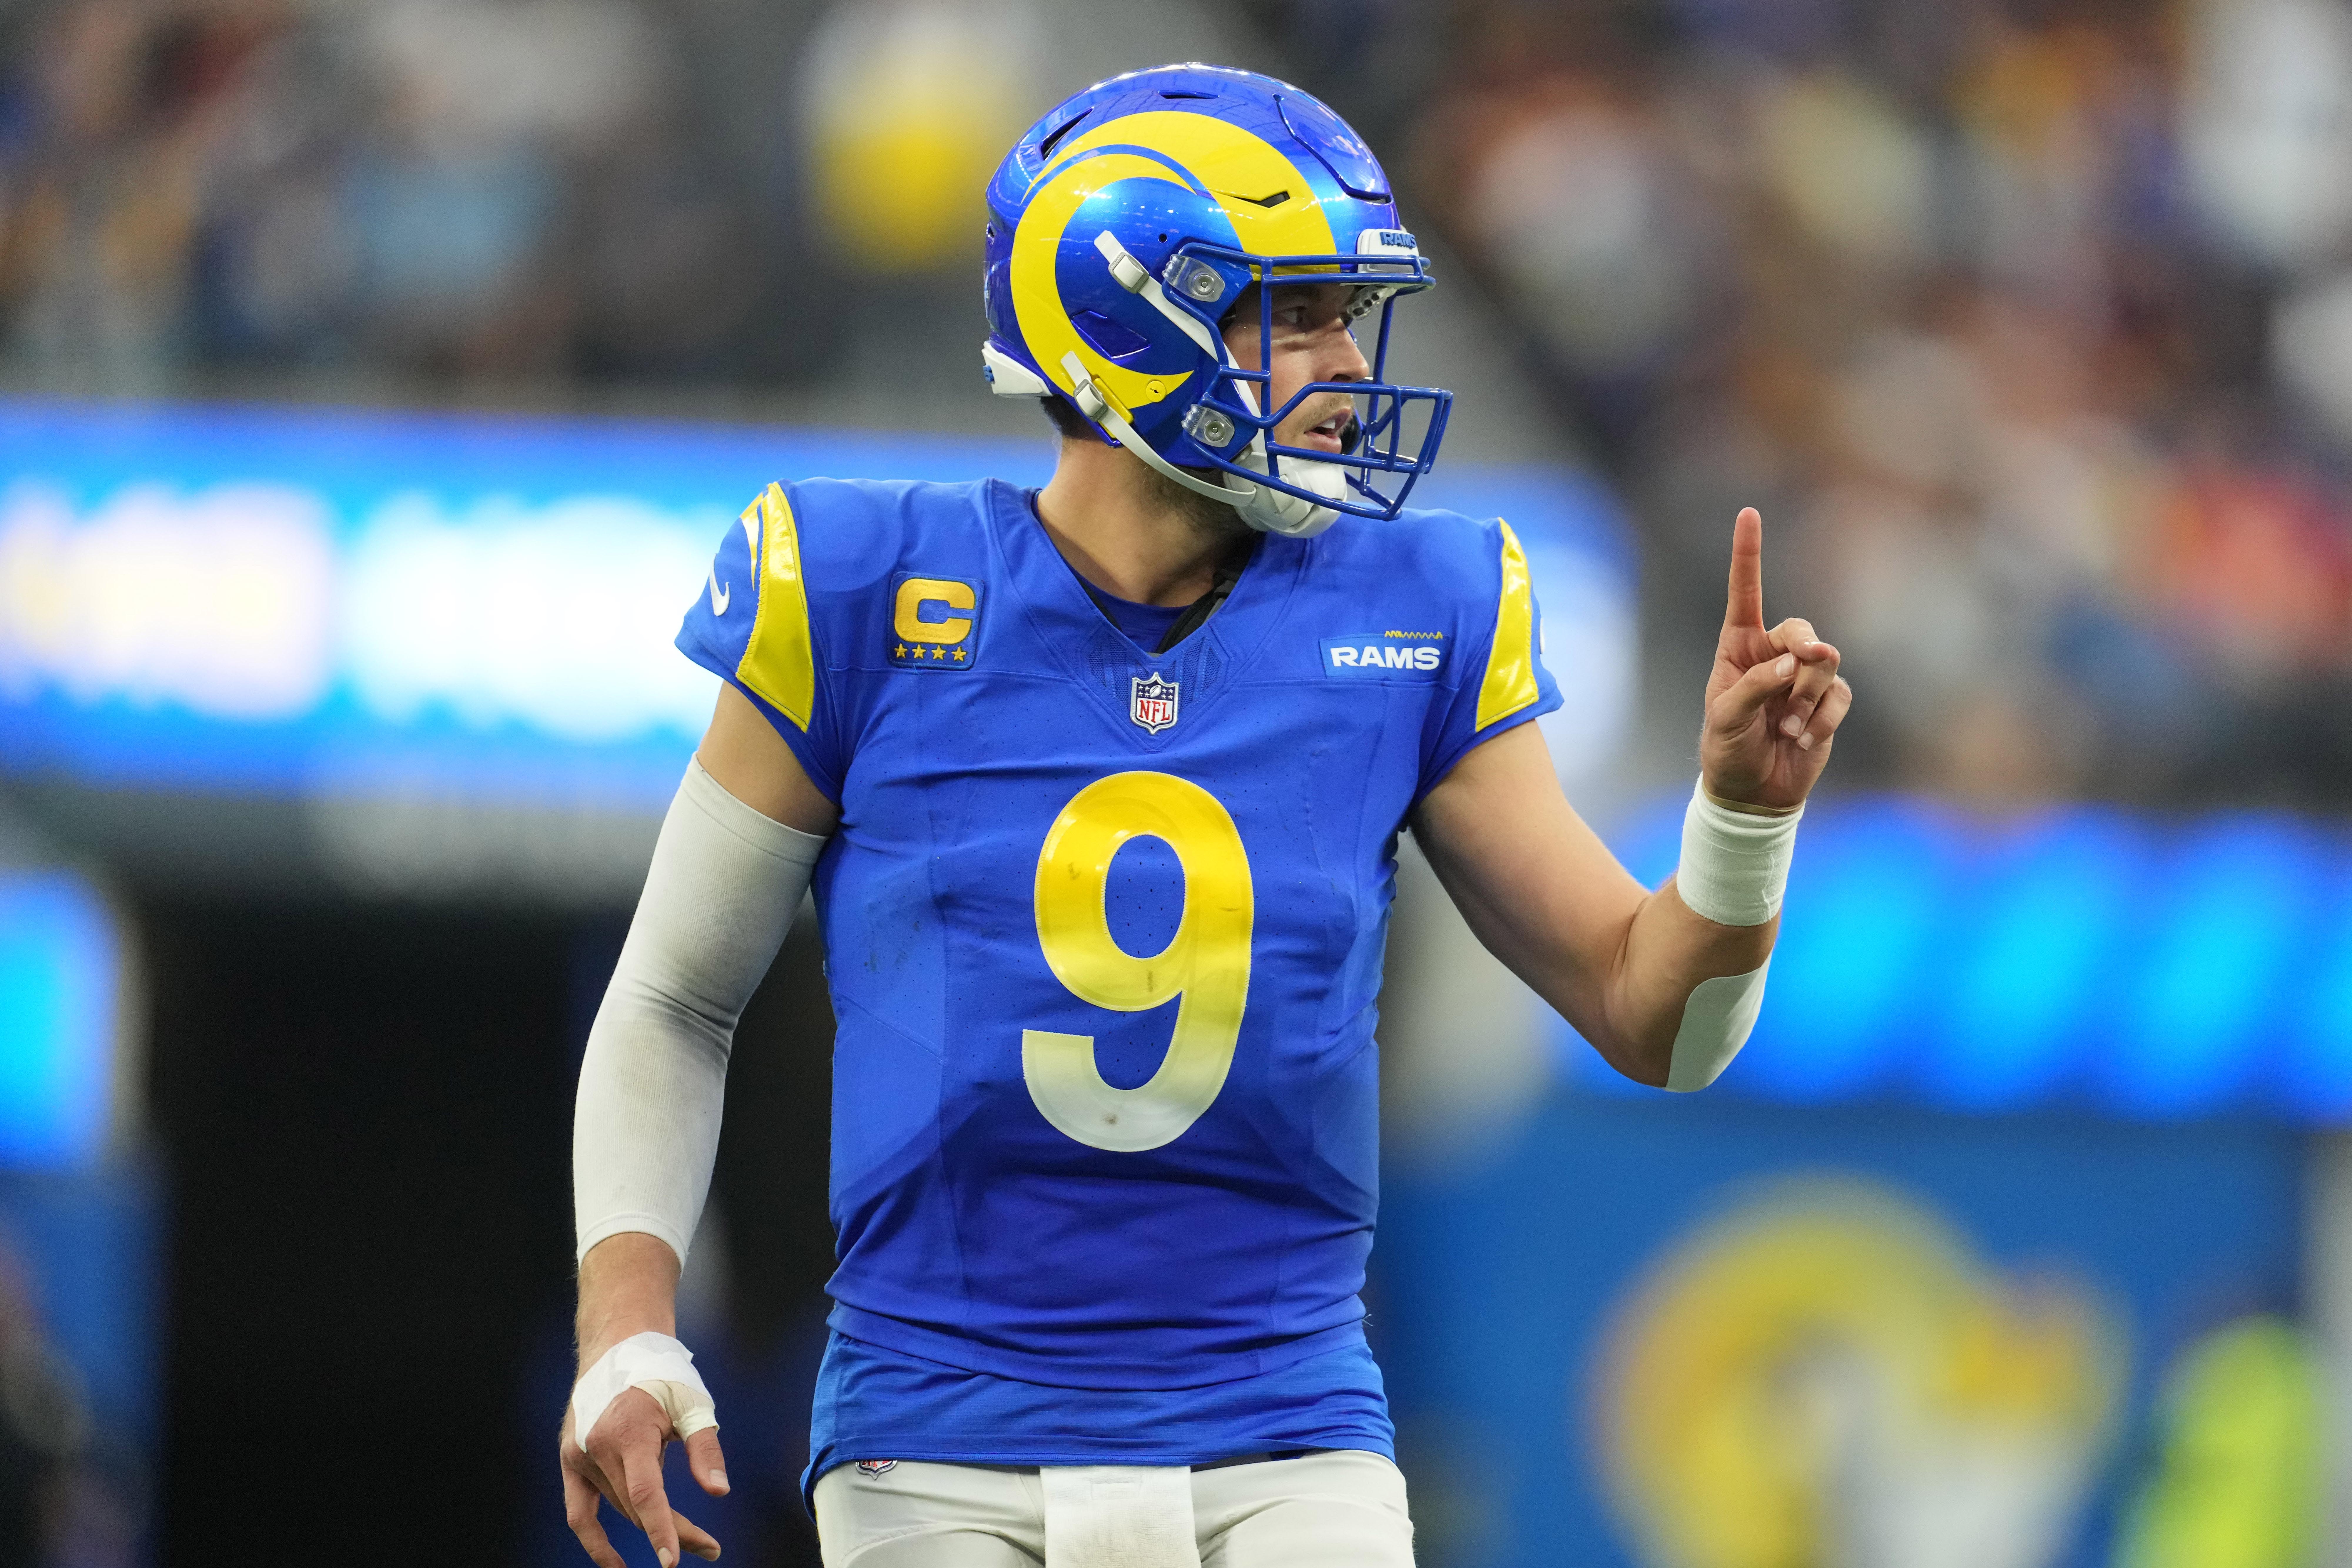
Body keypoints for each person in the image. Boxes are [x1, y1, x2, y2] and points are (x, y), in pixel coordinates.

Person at [559, 62, 1850, 1568]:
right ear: (1122, 317)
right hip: (941, 1437)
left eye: (1348, 316)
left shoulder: (1416, 606)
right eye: (1297, 314)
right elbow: (675, 995)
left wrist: (1740, 817)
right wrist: (625, 1327)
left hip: (1285, 1434)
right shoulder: (859, 591)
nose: (1349, 366)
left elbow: (1657, 1020)